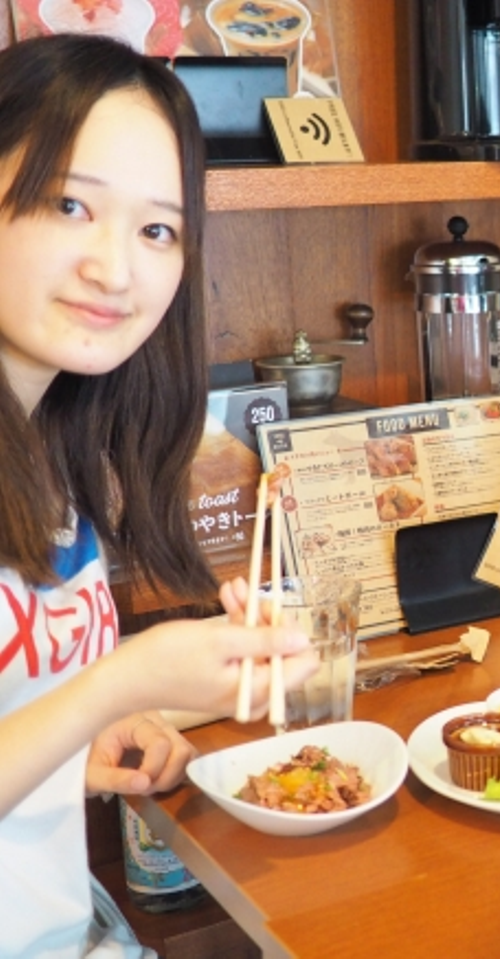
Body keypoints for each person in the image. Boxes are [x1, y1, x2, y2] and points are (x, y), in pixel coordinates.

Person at [0, 34, 319, 957]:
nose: (116, 268)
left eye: (157, 230)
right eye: (69, 204)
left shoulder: (52, 455)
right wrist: (117, 683)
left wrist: (81, 744)